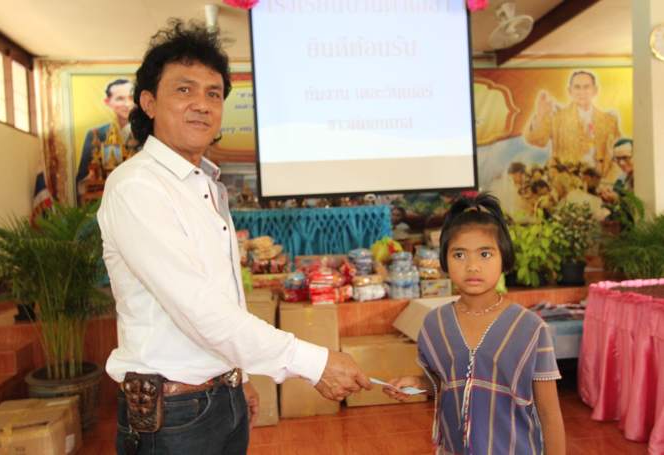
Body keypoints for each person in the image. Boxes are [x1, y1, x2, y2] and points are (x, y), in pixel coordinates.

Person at [97, 20, 370, 455]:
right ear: (148, 102)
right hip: (172, 418)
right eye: (184, 90)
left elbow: (221, 298)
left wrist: (236, 378)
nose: (202, 105)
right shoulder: (137, 186)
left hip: (219, 398)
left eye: (213, 93)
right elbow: (197, 308)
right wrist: (314, 363)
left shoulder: (206, 184)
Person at [382, 193, 566, 455]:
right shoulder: (435, 324)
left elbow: (549, 413)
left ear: (504, 258)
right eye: (459, 255)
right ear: (444, 260)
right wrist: (418, 383)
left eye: (485, 254)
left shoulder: (531, 329)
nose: (472, 266)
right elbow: (448, 382)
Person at [524, 71, 620, 177]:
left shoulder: (609, 120)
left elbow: (616, 156)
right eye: (577, 87)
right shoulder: (557, 117)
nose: (582, 92)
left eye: (586, 87)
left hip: (599, 181)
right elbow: (537, 140)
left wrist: (607, 181)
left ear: (595, 90)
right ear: (570, 91)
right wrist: (540, 115)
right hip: (565, 181)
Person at [76, 78, 138, 201]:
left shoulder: (148, 133)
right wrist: (90, 179)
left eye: (131, 98)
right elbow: (81, 181)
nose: (127, 104)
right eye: (120, 98)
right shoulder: (96, 134)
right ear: (108, 102)